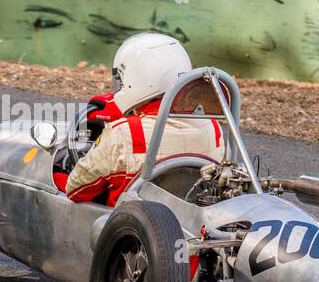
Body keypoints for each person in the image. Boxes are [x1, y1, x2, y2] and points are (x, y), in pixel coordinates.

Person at [62, 33, 225, 205]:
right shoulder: (213, 127)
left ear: (134, 79)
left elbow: (75, 190)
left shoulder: (124, 134)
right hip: (193, 222)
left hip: (130, 226)